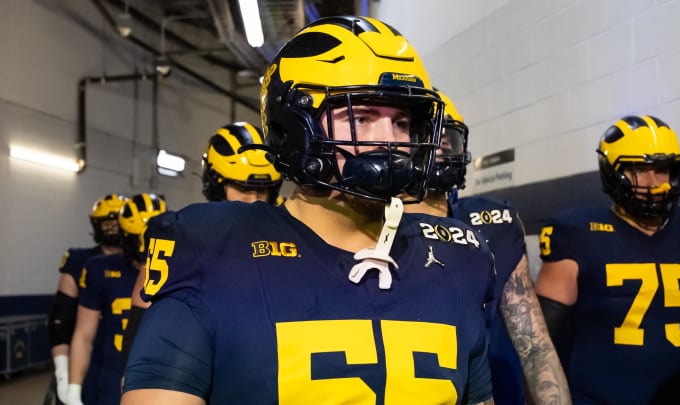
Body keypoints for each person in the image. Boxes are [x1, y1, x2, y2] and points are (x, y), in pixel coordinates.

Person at [122, 16, 496, 404]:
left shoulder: (456, 256)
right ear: (294, 128)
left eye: (402, 122)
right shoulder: (215, 249)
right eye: (361, 118)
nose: (391, 140)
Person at [534, 115, 680, 404]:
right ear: (612, 173)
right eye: (638, 170)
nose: (653, 183)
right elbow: (539, 342)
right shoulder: (578, 232)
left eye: (662, 170)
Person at [404, 91, 570, 404]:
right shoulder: (374, 225)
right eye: (428, 137)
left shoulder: (494, 222)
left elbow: (535, 343)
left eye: (447, 139)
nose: (440, 148)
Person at [119, 122, 284, 367]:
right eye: (243, 187)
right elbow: (143, 310)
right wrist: (132, 371)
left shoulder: (285, 230)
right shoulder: (185, 232)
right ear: (216, 183)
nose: (254, 200)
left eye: (262, 190)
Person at [67, 193, 166, 405]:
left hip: (161, 374)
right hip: (112, 373)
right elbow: (84, 334)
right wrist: (73, 388)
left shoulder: (182, 268)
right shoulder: (100, 267)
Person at [47, 193, 125, 404]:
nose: (113, 228)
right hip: (84, 359)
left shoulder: (140, 265)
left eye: (117, 222)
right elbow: (60, 320)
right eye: (107, 223)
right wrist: (63, 371)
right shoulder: (80, 260)